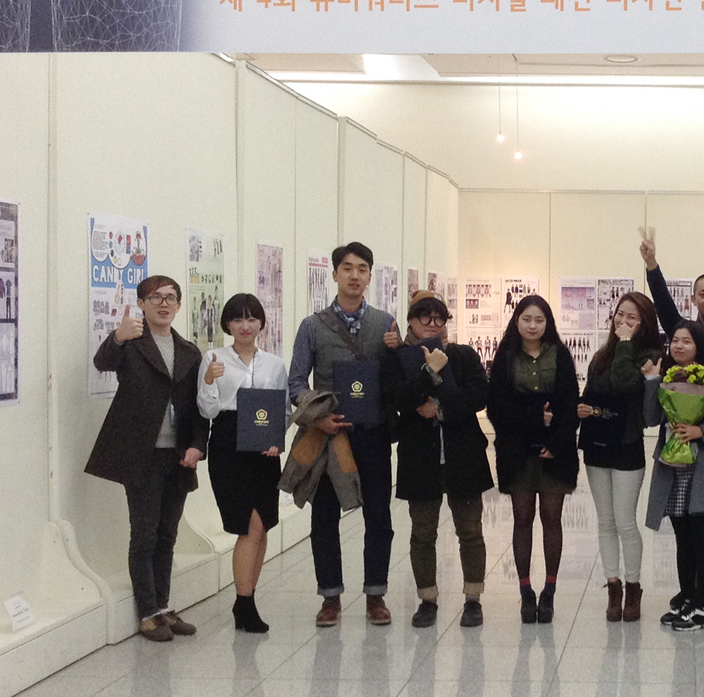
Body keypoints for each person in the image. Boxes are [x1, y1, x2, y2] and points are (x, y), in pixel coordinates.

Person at [86, 275, 207, 642]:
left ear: (179, 305)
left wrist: (197, 445)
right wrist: (118, 335)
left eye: (170, 297)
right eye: (155, 297)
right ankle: (147, 612)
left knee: (168, 534)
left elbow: (198, 406)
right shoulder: (132, 344)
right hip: (141, 455)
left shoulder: (189, 351)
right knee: (144, 534)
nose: (163, 303)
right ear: (141, 304)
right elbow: (102, 361)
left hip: (177, 455)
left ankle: (163, 606)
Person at [288, 241, 398, 627]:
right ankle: (330, 597)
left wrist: (399, 350)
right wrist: (316, 418)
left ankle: (376, 594)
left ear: (370, 276)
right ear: (334, 274)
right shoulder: (312, 326)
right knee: (324, 517)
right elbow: (296, 382)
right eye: (347, 268)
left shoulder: (386, 324)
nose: (354, 275)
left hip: (373, 433)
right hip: (329, 436)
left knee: (379, 516)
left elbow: (397, 379)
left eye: (362, 269)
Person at [638, 227, 704, 612]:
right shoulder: (684, 334)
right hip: (681, 451)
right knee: (688, 528)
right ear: (694, 298)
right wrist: (652, 265)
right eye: (703, 294)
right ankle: (693, 591)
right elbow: (663, 303)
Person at [384, 290, 493, 629]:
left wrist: (440, 407)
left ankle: (473, 598)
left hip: (463, 455)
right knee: (422, 533)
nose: (432, 324)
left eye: (439, 318)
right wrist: (429, 371)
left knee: (470, 531)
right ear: (411, 322)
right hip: (420, 457)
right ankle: (427, 599)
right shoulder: (398, 358)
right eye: (424, 317)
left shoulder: (462, 355)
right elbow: (398, 398)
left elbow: (479, 395)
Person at [197, 293, 288, 634]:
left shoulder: (274, 364)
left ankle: (246, 598)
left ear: (261, 323)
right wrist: (209, 380)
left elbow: (283, 410)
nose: (245, 326)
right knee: (247, 527)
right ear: (227, 324)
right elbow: (207, 410)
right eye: (237, 319)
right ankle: (245, 603)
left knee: (262, 526)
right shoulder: (213, 358)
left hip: (264, 449)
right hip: (228, 444)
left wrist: (277, 439)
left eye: (251, 319)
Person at [487, 295, 579, 625]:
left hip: (556, 451)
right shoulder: (505, 356)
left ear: (548, 323)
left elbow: (570, 404)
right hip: (517, 451)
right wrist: (534, 417)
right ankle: (526, 591)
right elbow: (497, 408)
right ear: (516, 321)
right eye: (527, 319)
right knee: (522, 518)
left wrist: (556, 442)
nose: (532, 325)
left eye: (539, 320)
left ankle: (549, 590)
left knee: (552, 518)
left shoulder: (561, 354)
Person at [642, 320, 704, 631]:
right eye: (675, 341)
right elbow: (650, 417)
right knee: (682, 538)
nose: (679, 346)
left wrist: (700, 431)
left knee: (701, 537)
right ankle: (688, 598)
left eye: (687, 341)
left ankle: (703, 607)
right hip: (673, 467)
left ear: (699, 346)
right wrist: (652, 381)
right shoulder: (667, 377)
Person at [578, 291, 663, 622]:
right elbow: (592, 390)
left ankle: (633, 587)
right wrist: (583, 408)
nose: (623, 321)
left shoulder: (650, 355)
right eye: (620, 314)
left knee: (625, 521)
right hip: (597, 443)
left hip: (626, 445)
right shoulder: (602, 353)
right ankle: (613, 585)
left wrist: (626, 343)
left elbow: (625, 383)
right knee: (605, 521)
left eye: (632, 318)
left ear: (644, 324)